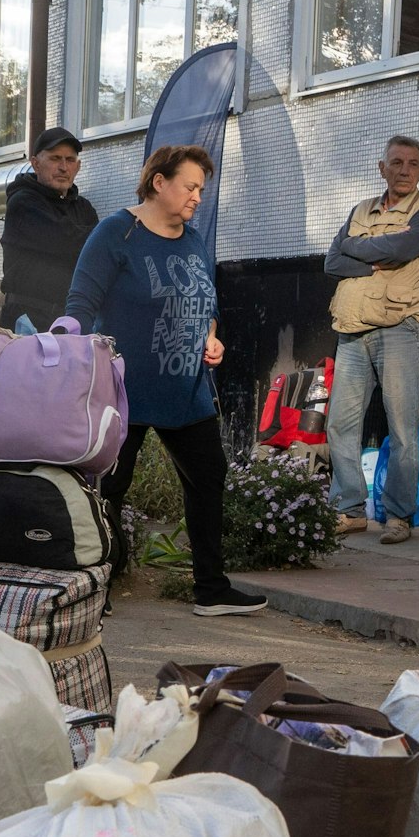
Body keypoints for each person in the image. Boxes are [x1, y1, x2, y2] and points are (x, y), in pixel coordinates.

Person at [64, 145, 268, 617]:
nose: (197, 196)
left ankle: (212, 588)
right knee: (109, 489)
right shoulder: (117, 233)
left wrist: (211, 338)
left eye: (201, 188)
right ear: (159, 182)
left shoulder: (194, 239)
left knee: (208, 479)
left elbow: (207, 304)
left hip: (186, 388)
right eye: (190, 186)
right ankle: (96, 589)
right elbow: (80, 303)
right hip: (124, 388)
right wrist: (69, 357)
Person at [324, 136, 419, 545]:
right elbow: (331, 260)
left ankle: (398, 517)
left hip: (401, 328)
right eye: (397, 162)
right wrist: (371, 258)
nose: (405, 170)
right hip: (352, 329)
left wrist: (356, 251)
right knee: (340, 425)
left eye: (413, 163)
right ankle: (349, 510)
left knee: (402, 428)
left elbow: (401, 247)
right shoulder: (360, 210)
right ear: (382, 168)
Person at [0, 127, 99, 328]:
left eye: (70, 160)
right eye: (55, 159)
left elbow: (97, 255)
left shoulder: (84, 207)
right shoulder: (23, 202)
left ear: (78, 167)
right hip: (28, 319)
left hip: (71, 319)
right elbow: (67, 241)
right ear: (35, 164)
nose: (64, 167)